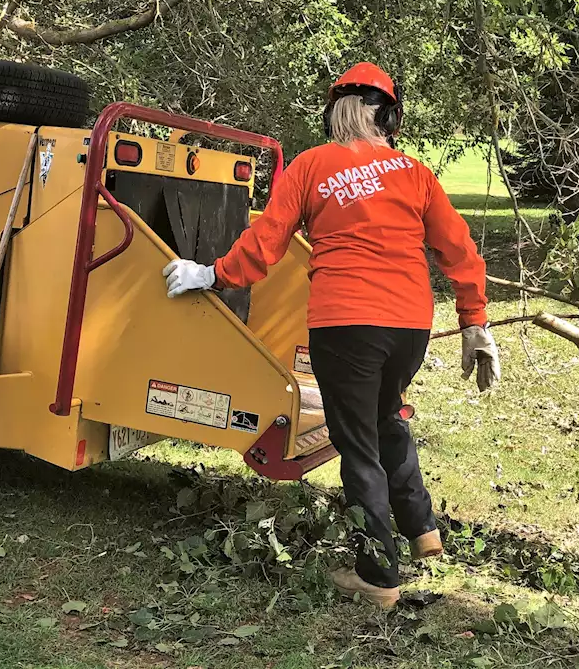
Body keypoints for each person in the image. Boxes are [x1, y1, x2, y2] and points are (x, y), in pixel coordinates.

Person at [163, 63, 499, 608]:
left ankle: (378, 577)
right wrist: (474, 320)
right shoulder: (414, 172)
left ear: (331, 113)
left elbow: (267, 239)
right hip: (410, 325)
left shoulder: (311, 166)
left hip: (346, 324)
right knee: (386, 416)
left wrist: (213, 274)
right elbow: (458, 248)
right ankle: (422, 529)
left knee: (358, 443)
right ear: (389, 115)